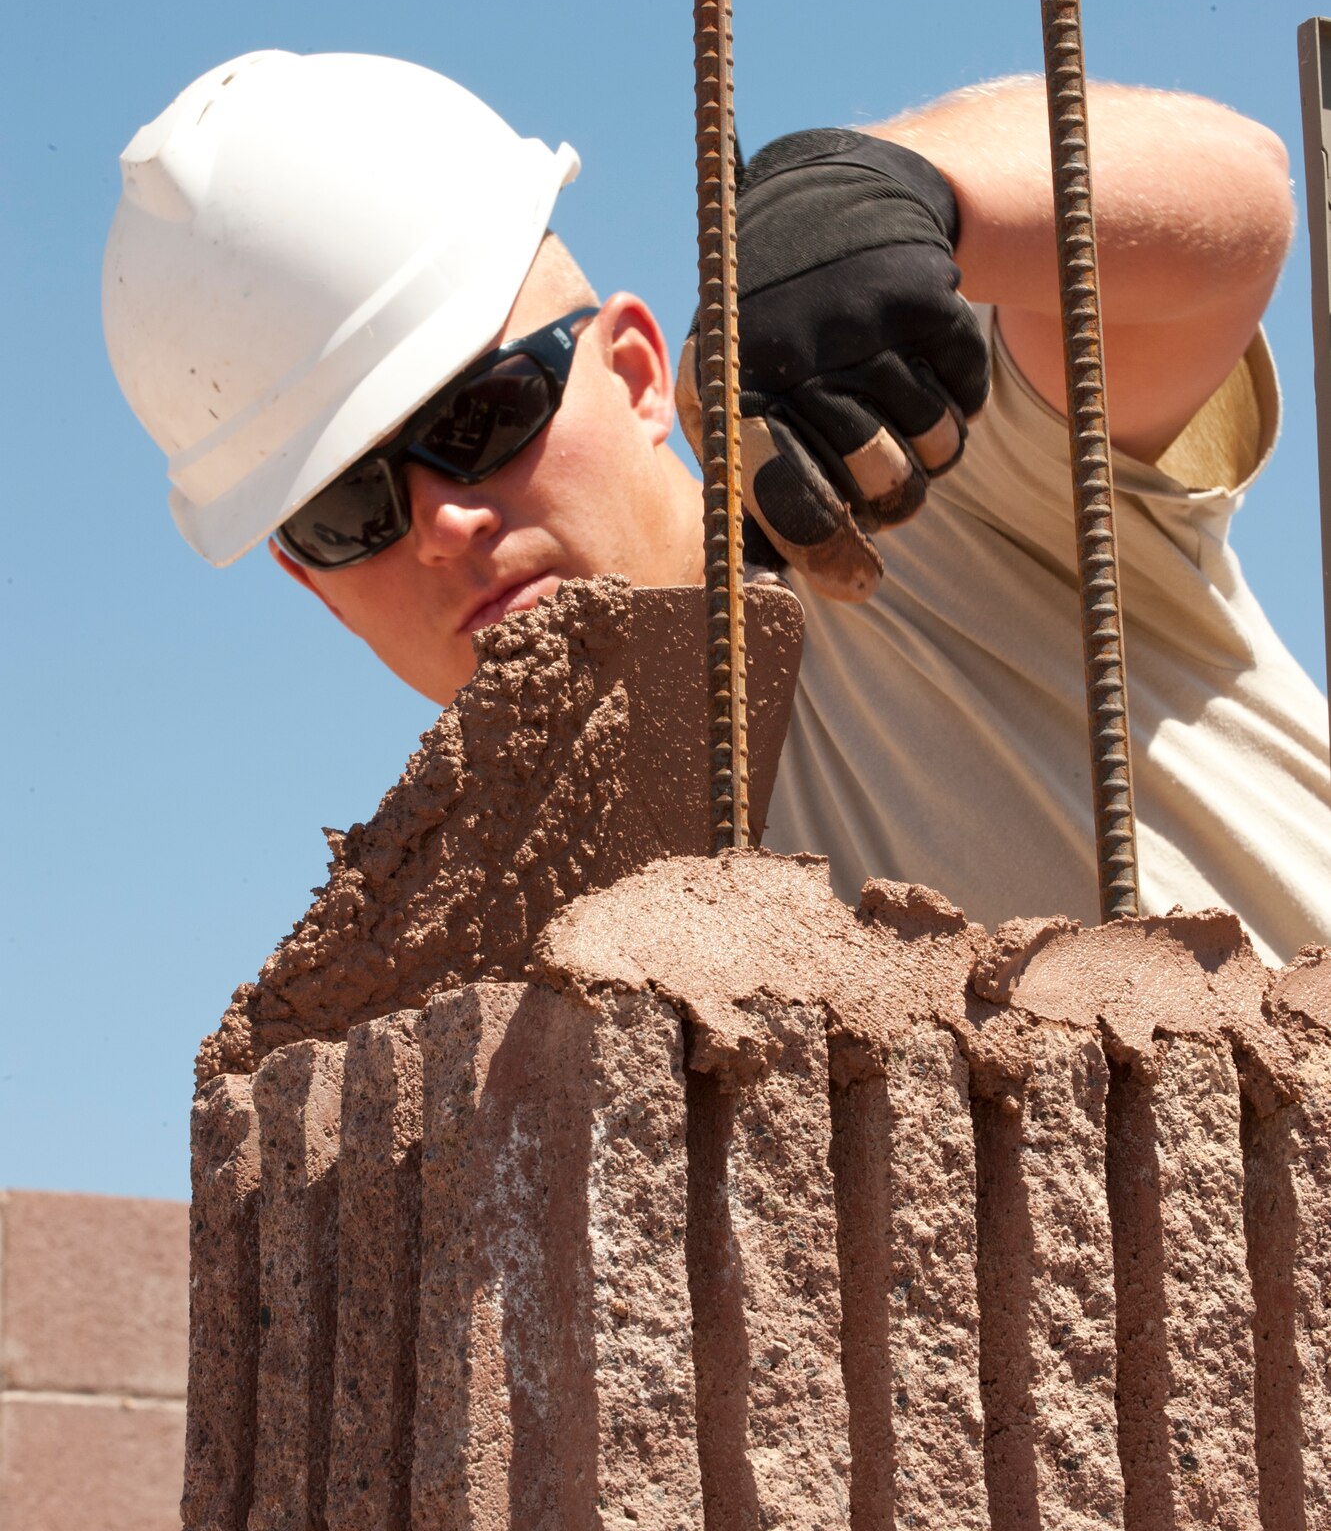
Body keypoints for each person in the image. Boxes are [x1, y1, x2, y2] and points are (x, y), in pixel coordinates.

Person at [103, 50, 1331, 965]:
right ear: (310, 583)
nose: (445, 524)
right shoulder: (495, 963)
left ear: (635, 372)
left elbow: (1237, 212)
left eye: (482, 420)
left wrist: (895, 186)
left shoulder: (916, 487)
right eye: (346, 510)